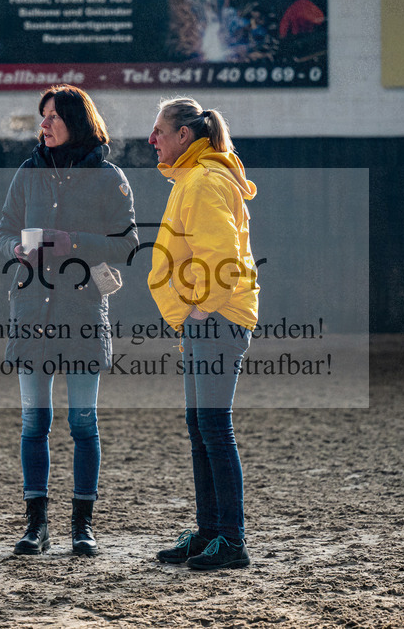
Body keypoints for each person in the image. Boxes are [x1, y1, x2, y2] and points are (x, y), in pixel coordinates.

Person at [0, 85, 138, 556]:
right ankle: (36, 525)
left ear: (76, 120)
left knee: (83, 424)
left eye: (53, 116)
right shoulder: (27, 172)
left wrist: (71, 242)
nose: (44, 124)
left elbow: (126, 244)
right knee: (34, 424)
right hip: (31, 309)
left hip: (80, 312)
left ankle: (83, 525)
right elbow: (3, 230)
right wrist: (15, 248)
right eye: (42, 116)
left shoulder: (109, 175)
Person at [146, 97, 259, 570]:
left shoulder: (205, 180)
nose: (152, 139)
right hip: (206, 320)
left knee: (213, 426)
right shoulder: (192, 179)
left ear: (184, 137)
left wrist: (200, 308)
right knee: (201, 427)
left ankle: (230, 540)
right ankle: (211, 532)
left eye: (159, 131)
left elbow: (222, 253)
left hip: (217, 319)